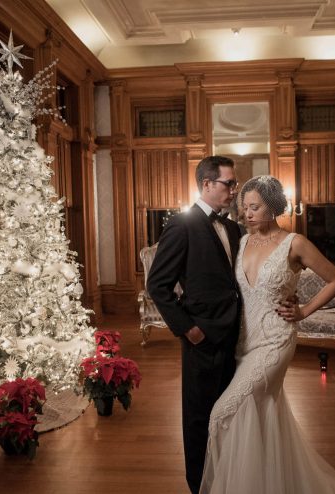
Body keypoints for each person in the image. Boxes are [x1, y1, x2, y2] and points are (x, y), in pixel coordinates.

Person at [200, 175, 335, 494]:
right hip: (243, 342)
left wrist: (303, 310)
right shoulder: (242, 241)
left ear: (273, 207)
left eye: (255, 207)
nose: (247, 214)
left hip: (276, 341)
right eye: (244, 207)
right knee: (256, 414)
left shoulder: (294, 243)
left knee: (222, 413)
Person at [146, 155, 243, 494]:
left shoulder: (233, 228)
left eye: (234, 183)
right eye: (229, 183)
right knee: (199, 416)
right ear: (207, 184)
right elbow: (157, 284)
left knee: (229, 411)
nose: (234, 189)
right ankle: (199, 485)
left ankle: (227, 478)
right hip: (202, 337)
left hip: (235, 335)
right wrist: (189, 329)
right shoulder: (182, 225)